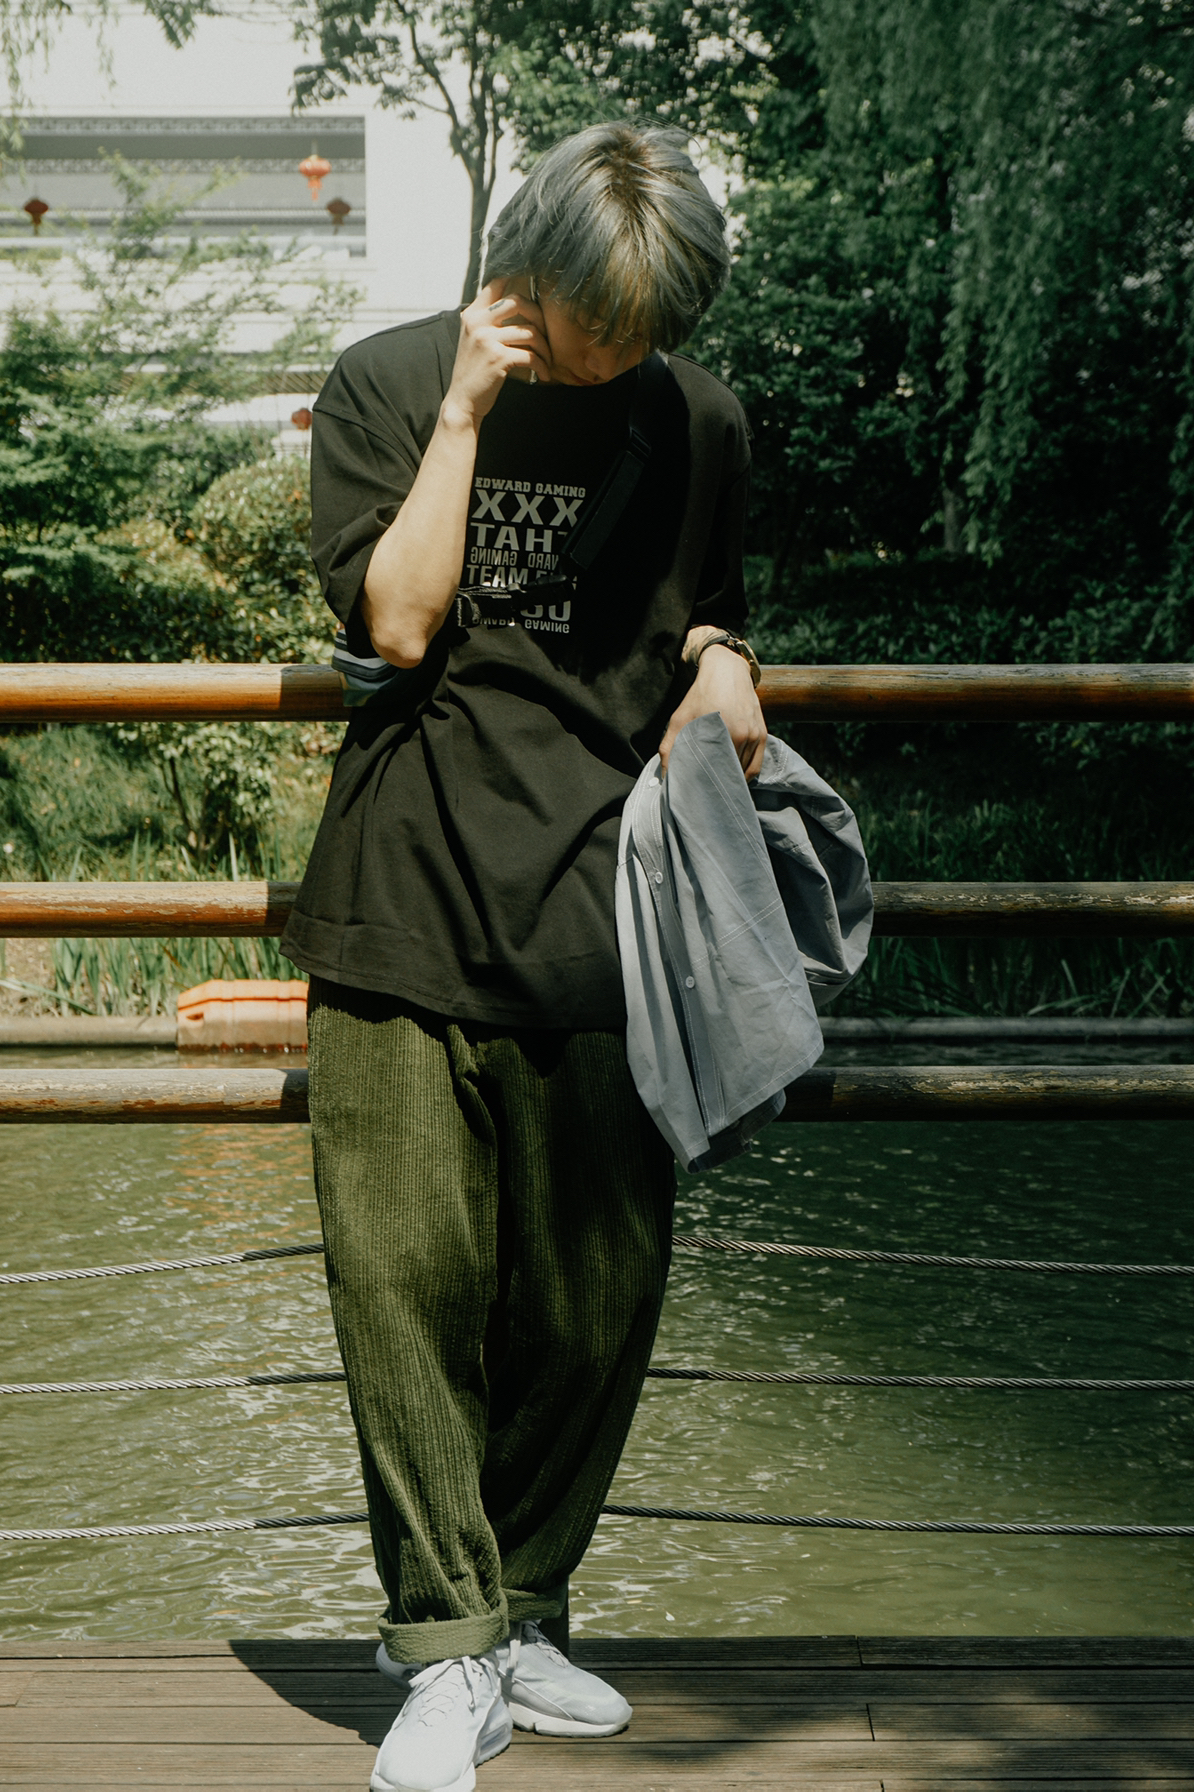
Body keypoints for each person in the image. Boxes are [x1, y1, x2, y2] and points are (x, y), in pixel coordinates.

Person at [280, 120, 767, 1792]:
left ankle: (524, 1608)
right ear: (526, 271)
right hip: (402, 902)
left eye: (647, 330)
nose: (615, 354)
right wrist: (466, 415)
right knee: (401, 1295)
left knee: (593, 1304)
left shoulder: (701, 422)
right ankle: (442, 1650)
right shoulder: (386, 381)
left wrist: (727, 653)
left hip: (607, 915)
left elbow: (702, 604)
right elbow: (398, 622)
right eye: (592, 321)